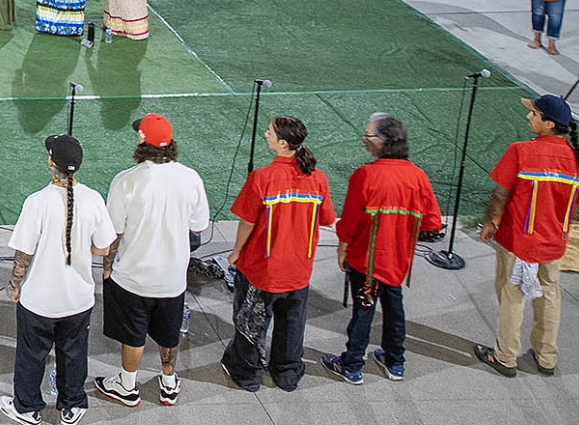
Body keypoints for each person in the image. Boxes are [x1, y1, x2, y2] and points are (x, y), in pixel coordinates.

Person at [475, 94, 579, 380]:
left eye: (534, 113)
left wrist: (490, 222)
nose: (528, 117)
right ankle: (546, 357)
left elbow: (500, 195)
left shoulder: (521, 151)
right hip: (554, 245)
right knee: (549, 297)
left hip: (517, 243)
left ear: (549, 123)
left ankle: (505, 357)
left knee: (512, 299)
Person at [0, 134, 115, 425]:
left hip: (39, 301)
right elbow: (104, 247)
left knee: (31, 355)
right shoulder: (93, 199)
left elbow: (23, 251)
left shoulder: (37, 202)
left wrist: (14, 285)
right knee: (74, 353)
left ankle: (26, 408)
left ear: (51, 163)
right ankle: (72, 404)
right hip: (78, 299)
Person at [92, 114, 208, 408]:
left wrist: (107, 265)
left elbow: (113, 232)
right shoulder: (190, 177)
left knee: (133, 333)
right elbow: (199, 225)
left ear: (142, 142)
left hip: (132, 276)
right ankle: (169, 383)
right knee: (168, 333)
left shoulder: (126, 181)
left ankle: (127, 385)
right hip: (172, 279)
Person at [320, 114, 442, 385]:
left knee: (363, 311)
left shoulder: (366, 175)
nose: (364, 140)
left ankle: (352, 364)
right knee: (394, 307)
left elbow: (349, 223)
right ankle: (395, 361)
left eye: (368, 135)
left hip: (367, 260)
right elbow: (432, 221)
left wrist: (343, 249)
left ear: (385, 141)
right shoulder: (417, 176)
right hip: (399, 260)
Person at [220, 116, 335, 393]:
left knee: (251, 321)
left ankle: (246, 373)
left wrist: (236, 252)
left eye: (269, 132)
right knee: (292, 324)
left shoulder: (263, 178)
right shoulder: (317, 179)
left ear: (283, 143)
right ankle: (286, 373)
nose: (265, 134)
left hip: (264, 268)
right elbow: (328, 218)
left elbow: (247, 220)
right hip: (299, 269)